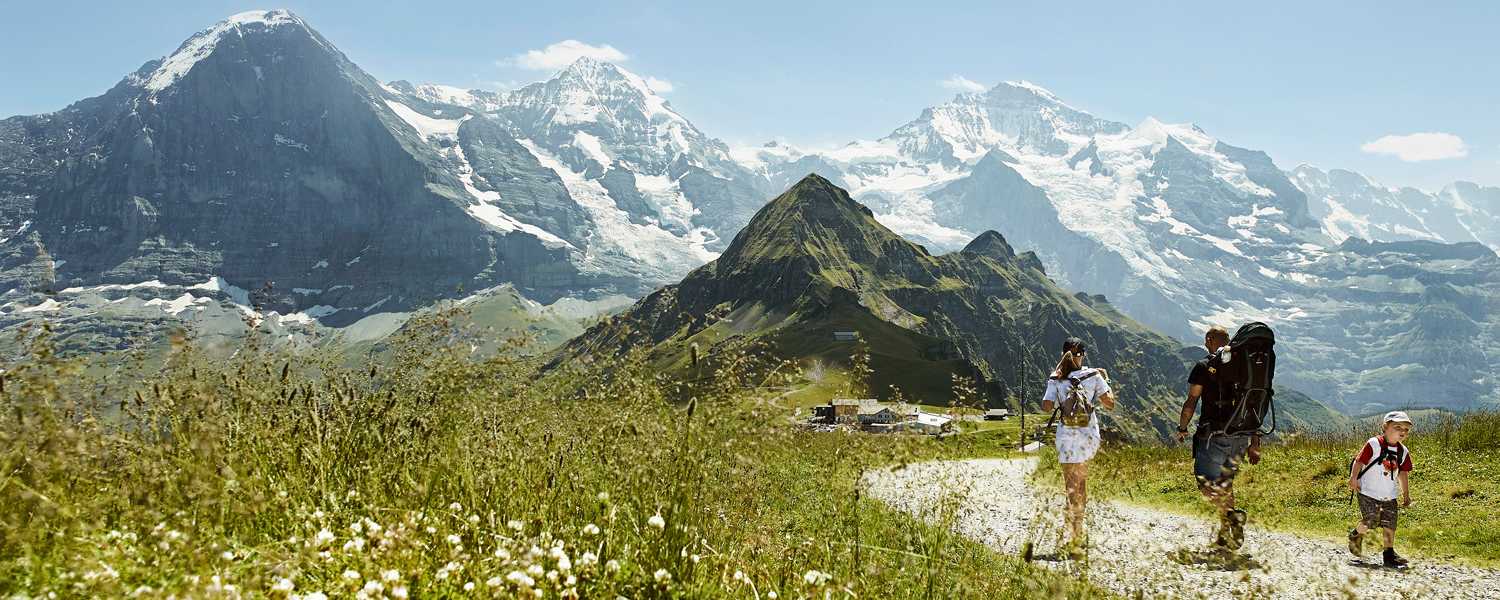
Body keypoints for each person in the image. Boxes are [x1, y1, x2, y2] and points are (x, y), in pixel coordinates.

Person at [1174, 326, 1261, 553]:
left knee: (1205, 484)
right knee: (1225, 484)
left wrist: (1182, 427)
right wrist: (1255, 443)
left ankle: (1231, 517)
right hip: (1241, 437)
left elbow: (1191, 402)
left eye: (1206, 340)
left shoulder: (1204, 366)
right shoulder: (1245, 369)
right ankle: (1225, 533)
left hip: (1214, 436)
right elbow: (1254, 405)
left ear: (1209, 340)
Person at [1041, 337, 1115, 558]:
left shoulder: (1056, 378)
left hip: (1066, 437)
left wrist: (1056, 380)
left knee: (1071, 487)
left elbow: (1046, 407)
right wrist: (1105, 380)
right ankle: (1078, 536)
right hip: (1088, 435)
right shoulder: (1094, 375)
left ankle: (1075, 537)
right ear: (1082, 355)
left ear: (1063, 354)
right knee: (1081, 484)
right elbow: (1110, 404)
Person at [1348, 411, 1414, 568]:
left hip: (1389, 495)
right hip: (1368, 491)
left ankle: (1389, 555)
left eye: (1406, 429)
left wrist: (1406, 495)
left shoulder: (1403, 452)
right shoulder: (1374, 444)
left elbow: (1403, 474)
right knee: (1370, 521)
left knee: (1390, 523)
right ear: (1385, 427)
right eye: (1397, 427)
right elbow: (1359, 461)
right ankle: (1356, 535)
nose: (1402, 432)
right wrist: (1353, 478)